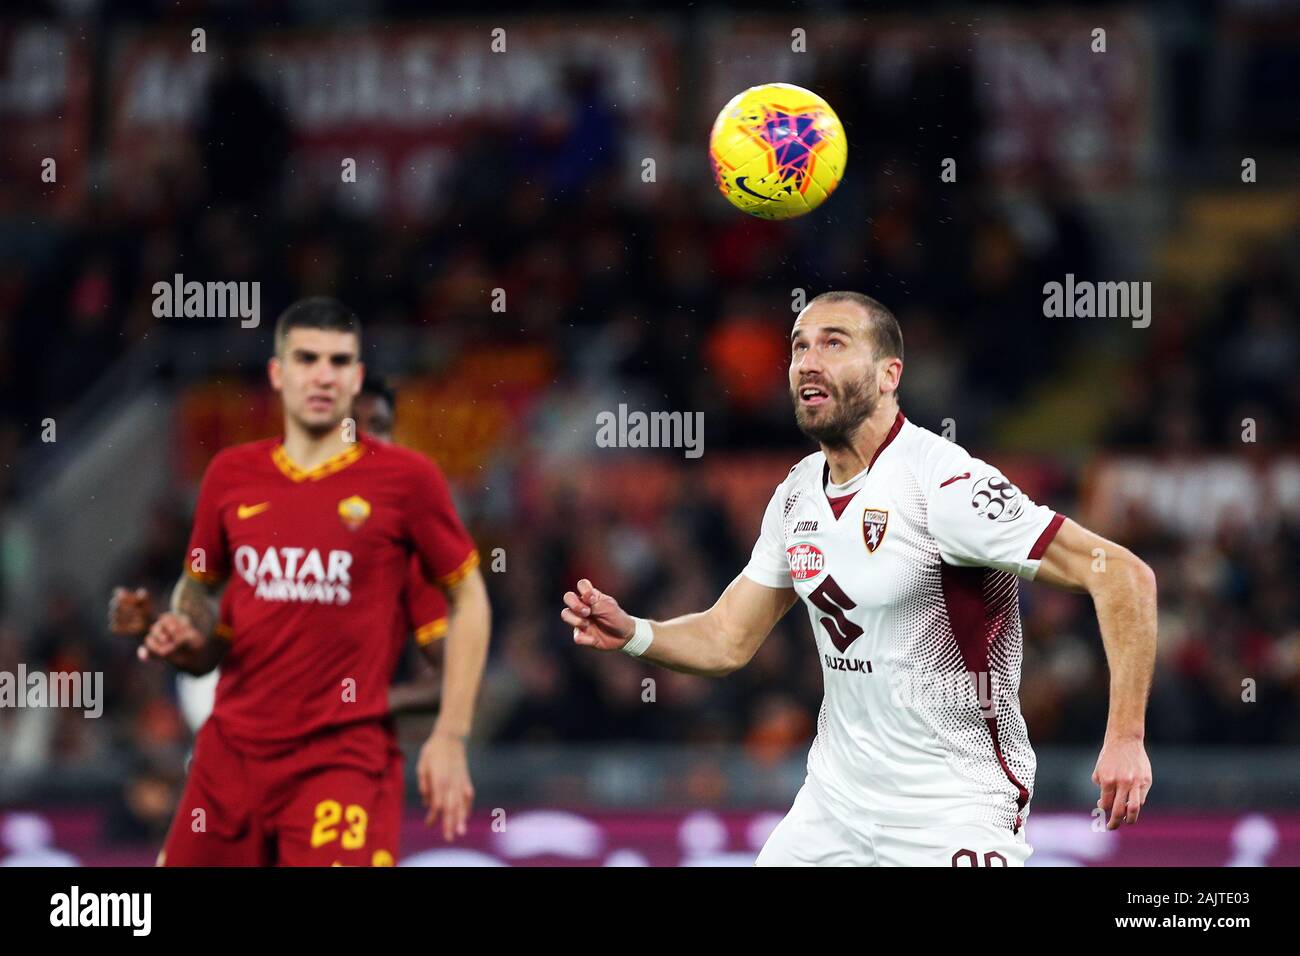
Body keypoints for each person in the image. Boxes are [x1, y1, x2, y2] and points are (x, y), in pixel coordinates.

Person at [561, 290, 1157, 867]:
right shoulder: (797, 493)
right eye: (798, 347)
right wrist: (635, 631)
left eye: (834, 343)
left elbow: (1125, 576)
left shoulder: (942, 486)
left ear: (888, 375)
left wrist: (1126, 737)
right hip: (834, 807)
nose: (808, 362)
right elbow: (726, 638)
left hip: (949, 809)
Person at [109, 297, 491, 866]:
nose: (322, 374)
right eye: (307, 358)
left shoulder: (407, 482)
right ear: (277, 373)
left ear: (356, 375)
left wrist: (451, 736)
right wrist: (179, 632)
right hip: (230, 756)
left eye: (339, 362)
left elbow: (470, 596)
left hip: (339, 763)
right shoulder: (230, 475)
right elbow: (199, 601)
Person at [170, 374, 446, 733]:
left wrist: (363, 704)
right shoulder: (260, 524)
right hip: (248, 742)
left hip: (343, 757)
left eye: (379, 426)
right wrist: (170, 634)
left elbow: (450, 679)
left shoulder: (406, 550)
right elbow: (204, 639)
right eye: (349, 425)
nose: (363, 439)